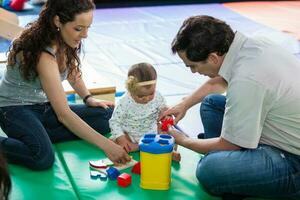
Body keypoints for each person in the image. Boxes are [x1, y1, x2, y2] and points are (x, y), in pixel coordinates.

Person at [162, 15, 300, 199]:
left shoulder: (247, 79)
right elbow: (221, 79)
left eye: (192, 66)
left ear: (212, 58)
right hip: (277, 131)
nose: (194, 71)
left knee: (208, 170)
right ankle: (235, 167)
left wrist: (183, 140)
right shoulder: (252, 45)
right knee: (211, 103)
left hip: (293, 160)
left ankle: (233, 171)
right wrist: (184, 104)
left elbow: (229, 144)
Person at [0, 0, 130, 171]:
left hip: (43, 107)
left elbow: (72, 71)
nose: (85, 35)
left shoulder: (65, 38)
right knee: (41, 157)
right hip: (13, 109)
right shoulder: (43, 54)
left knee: (107, 116)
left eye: (88, 27)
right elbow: (64, 115)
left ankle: (40, 133)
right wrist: (107, 146)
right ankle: (37, 136)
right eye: (78, 28)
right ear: (57, 21)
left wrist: (88, 97)